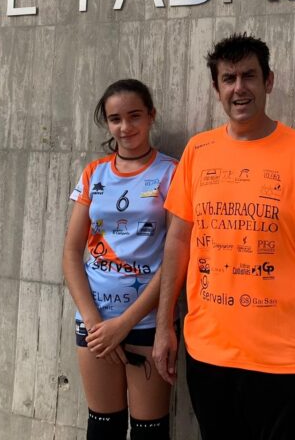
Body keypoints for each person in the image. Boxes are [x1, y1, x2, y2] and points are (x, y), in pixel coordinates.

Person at [153, 34, 295, 440]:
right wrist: (164, 325)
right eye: (229, 78)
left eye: (249, 76)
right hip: (207, 351)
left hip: (286, 358)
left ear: (268, 81)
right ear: (217, 89)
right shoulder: (198, 151)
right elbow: (178, 242)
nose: (239, 87)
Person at [63, 79, 176, 440]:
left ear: (151, 116)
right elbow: (70, 253)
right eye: (115, 119)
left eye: (134, 116)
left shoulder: (172, 172)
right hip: (95, 326)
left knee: (149, 431)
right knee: (103, 427)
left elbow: (176, 259)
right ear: (107, 124)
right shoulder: (94, 173)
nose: (125, 127)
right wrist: (97, 323)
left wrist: (124, 324)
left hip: (145, 323)